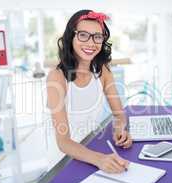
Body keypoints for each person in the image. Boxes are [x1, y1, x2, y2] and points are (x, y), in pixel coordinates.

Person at [47, 10, 132, 174]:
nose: (91, 43)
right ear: (71, 37)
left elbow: (119, 114)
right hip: (64, 159)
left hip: (91, 148)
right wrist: (99, 159)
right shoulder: (57, 77)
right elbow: (63, 141)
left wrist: (120, 129)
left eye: (97, 37)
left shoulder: (103, 71)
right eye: (83, 35)